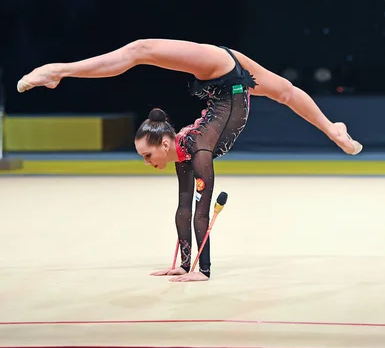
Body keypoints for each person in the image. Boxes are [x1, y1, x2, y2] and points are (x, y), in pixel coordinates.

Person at [17, 38, 362, 282]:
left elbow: (200, 210)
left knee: (141, 50)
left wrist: (202, 269)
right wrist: (185, 264)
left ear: (165, 143)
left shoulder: (196, 149)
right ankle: (333, 129)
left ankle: (57, 71)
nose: (147, 162)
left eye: (148, 154)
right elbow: (185, 205)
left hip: (223, 69)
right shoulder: (184, 145)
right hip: (231, 75)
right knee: (284, 91)